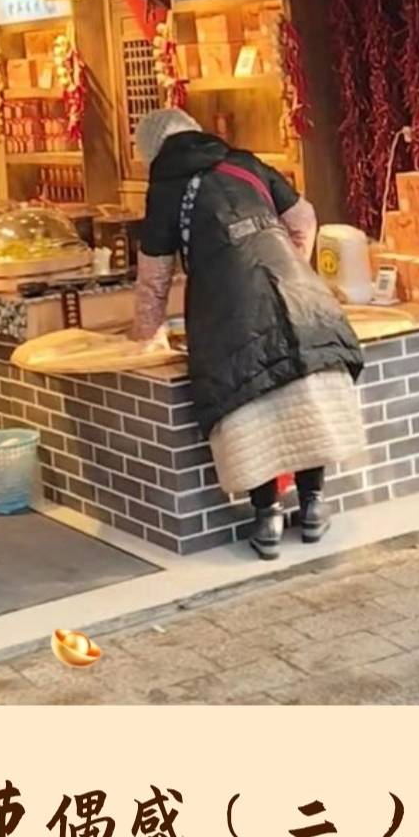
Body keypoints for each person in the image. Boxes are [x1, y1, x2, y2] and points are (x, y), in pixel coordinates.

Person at [130, 107, 365, 560]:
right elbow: (303, 217)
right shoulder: (243, 162)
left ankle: (267, 517)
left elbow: (154, 277)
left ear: (152, 150)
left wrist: (146, 336)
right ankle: (313, 506)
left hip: (228, 310)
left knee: (249, 402)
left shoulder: (165, 188)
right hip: (296, 294)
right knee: (304, 390)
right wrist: (291, 263)